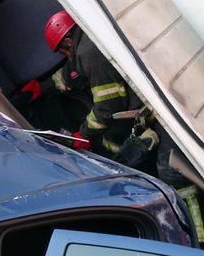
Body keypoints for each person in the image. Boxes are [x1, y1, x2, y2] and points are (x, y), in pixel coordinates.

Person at [38, 10, 157, 165]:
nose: (66, 56)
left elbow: (108, 106)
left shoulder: (89, 55)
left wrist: (84, 135)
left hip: (148, 111)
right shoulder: (88, 36)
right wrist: (41, 87)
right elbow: (71, 71)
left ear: (68, 42)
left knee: (109, 141)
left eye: (63, 52)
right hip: (146, 95)